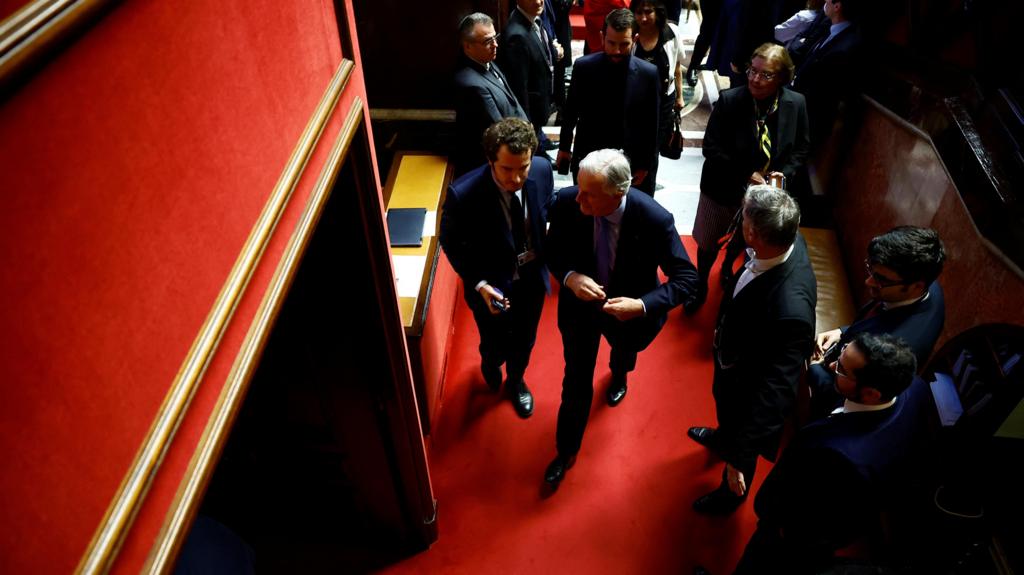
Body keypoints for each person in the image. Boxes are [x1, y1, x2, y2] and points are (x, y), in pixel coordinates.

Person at [543, 149, 698, 487]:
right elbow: (551, 251)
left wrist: (641, 305)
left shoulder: (655, 219)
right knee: (576, 379)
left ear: (618, 194)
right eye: (578, 187)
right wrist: (569, 277)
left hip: (629, 313)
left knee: (624, 353)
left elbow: (687, 279)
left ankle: (619, 375)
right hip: (580, 310)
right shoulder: (568, 202)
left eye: (589, 193)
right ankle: (565, 450)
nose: (577, 197)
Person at [734, 333, 924, 574]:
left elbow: (808, 513)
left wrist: (780, 527)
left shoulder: (840, 458)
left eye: (842, 370)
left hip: (795, 534)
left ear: (871, 394)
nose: (832, 366)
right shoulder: (914, 387)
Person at [688, 185, 817, 514]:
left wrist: (739, 458)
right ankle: (722, 438)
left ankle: (730, 496)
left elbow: (774, 394)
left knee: (738, 425)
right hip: (733, 361)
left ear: (752, 233)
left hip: (748, 386)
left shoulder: (791, 311)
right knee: (725, 410)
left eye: (742, 218)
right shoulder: (789, 240)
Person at [439, 118, 554, 418]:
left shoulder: (542, 171)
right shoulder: (463, 194)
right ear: (491, 160)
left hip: (531, 279)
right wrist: (478, 283)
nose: (516, 178)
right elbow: (450, 241)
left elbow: (546, 211)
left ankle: (516, 381)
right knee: (494, 342)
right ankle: (490, 363)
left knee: (526, 339)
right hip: (492, 286)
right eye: (507, 169)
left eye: (523, 167)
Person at [689, 43, 809, 312]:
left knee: (745, 241)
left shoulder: (796, 103)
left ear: (781, 78)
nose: (755, 79)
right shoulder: (731, 100)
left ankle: (729, 270)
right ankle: (700, 284)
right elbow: (711, 147)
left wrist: (784, 174)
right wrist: (746, 173)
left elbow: (801, 148)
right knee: (708, 241)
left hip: (766, 195)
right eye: (752, 71)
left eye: (765, 74)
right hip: (722, 187)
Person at [807, 226, 945, 418]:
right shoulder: (929, 288)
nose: (869, 282)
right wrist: (843, 331)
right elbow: (880, 317)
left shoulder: (895, 347)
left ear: (916, 286)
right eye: (870, 268)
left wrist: (814, 368)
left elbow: (847, 398)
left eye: (880, 279)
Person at [557, 9, 660, 195]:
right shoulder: (583, 68)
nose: (617, 51)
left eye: (624, 44)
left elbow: (651, 125)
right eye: (611, 43)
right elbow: (570, 111)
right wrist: (564, 148)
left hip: (630, 162)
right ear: (602, 36)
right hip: (589, 157)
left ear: (635, 40)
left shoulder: (649, 74)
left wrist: (646, 164)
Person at [453, 13, 529, 176]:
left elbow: (512, 100)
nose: (495, 45)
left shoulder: (487, 61)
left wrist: (527, 126)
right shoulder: (470, 84)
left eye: (495, 38)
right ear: (467, 46)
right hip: (495, 167)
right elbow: (498, 128)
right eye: (488, 41)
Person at [791, 0, 863, 149]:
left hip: (808, 122)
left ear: (837, 6)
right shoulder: (830, 31)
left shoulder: (847, 46)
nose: (825, 1)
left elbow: (823, 91)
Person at [630, 0, 685, 182]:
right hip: (635, 103)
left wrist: (679, 96)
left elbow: (676, 67)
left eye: (648, 12)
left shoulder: (671, 33)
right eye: (638, 13)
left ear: (658, 12)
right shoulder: (630, 35)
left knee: (652, 149)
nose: (643, 18)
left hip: (663, 102)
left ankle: (647, 186)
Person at [499, 0, 562, 148]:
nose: (539, 1)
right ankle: (538, 148)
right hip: (532, 106)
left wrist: (554, 51)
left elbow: (538, 51)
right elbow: (519, 86)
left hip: (540, 98)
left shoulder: (532, 19)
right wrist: (525, 122)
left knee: (538, 130)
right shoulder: (516, 36)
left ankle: (542, 141)